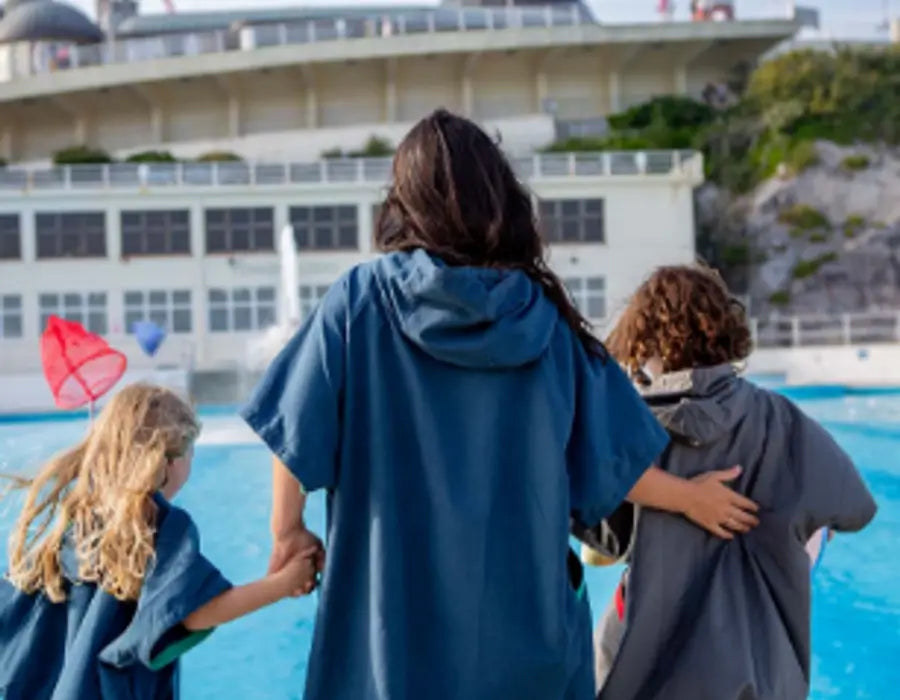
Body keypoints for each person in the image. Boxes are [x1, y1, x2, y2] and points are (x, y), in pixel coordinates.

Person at [242, 109, 758, 700]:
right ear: (498, 198)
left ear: (404, 203)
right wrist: (692, 498)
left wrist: (288, 531)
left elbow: (293, 435)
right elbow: (617, 469)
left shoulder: (359, 304)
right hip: (526, 644)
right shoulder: (544, 321)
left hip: (390, 646)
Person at [588, 265, 877, 699]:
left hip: (647, 668)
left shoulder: (628, 429)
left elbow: (602, 542)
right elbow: (854, 509)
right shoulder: (785, 421)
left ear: (641, 344)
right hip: (757, 666)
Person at [0, 384, 319, 700]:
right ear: (171, 461)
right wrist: (283, 582)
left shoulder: (75, 521)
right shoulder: (159, 526)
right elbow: (196, 613)